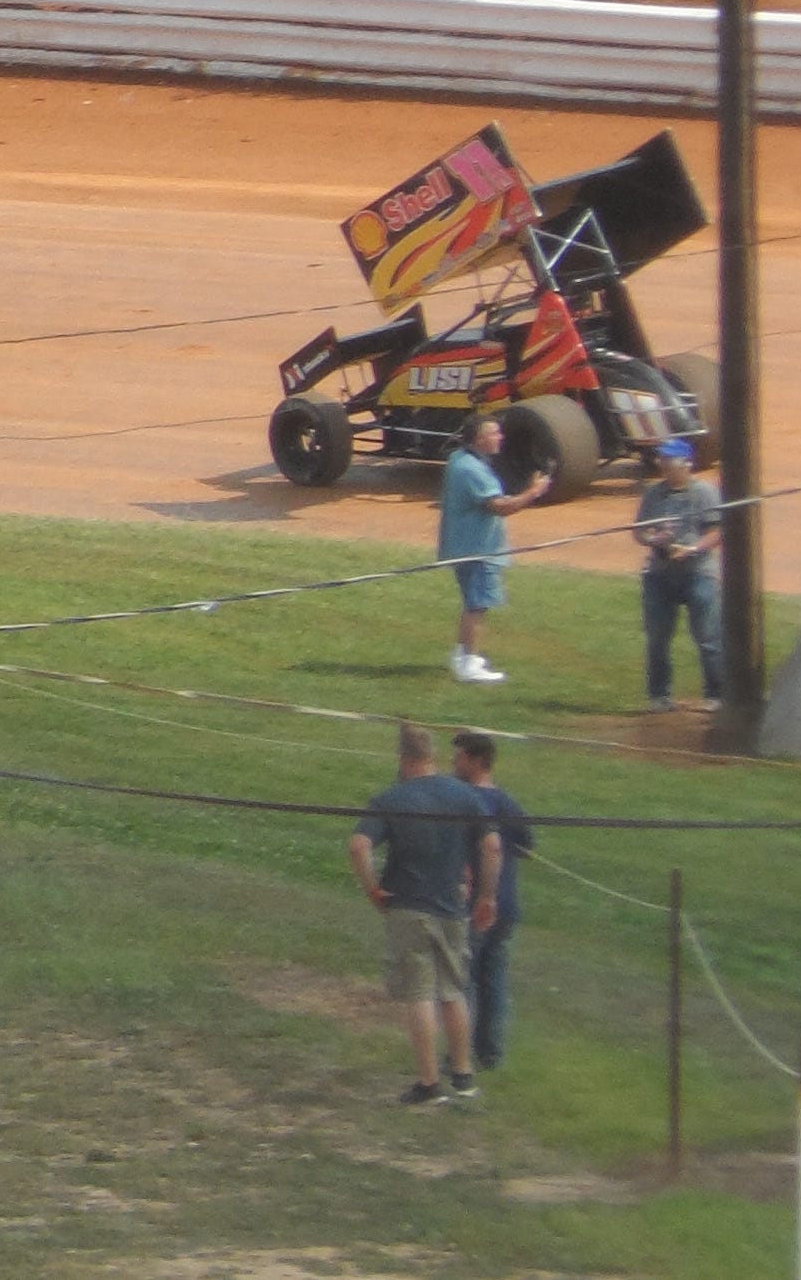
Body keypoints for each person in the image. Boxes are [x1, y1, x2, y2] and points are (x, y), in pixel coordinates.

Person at [346, 724, 500, 1107]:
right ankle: (463, 1076)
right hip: (451, 907)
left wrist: (372, 889)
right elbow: (493, 847)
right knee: (452, 992)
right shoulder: (464, 796)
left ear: (404, 759)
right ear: (432, 757)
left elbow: (358, 846)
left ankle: (429, 1083)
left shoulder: (390, 799)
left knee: (419, 994)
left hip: (408, 906)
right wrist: (486, 896)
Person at [439, 412, 549, 685]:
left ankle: (464, 655)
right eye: (494, 433)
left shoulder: (460, 459)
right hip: (478, 549)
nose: (500, 437)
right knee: (477, 605)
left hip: (467, 545)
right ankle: (469, 663)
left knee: (473, 603)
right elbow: (500, 508)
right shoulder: (472, 469)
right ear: (479, 439)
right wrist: (533, 492)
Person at [451, 731, 534, 1072]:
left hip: (474, 905)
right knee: (494, 981)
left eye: (457, 757)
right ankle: (491, 1053)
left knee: (463, 981)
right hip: (507, 905)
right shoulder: (508, 803)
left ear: (474, 759)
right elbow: (527, 846)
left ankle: (459, 1054)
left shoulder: (461, 801)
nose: (453, 763)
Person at [632, 438, 724, 712]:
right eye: (661, 458)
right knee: (657, 637)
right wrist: (654, 539)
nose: (663, 463)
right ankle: (659, 695)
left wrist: (692, 548)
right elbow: (639, 531)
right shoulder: (653, 494)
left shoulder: (705, 493)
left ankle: (716, 695)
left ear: (686, 463)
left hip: (698, 573)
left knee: (708, 637)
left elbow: (717, 531)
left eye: (669, 459)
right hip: (659, 575)